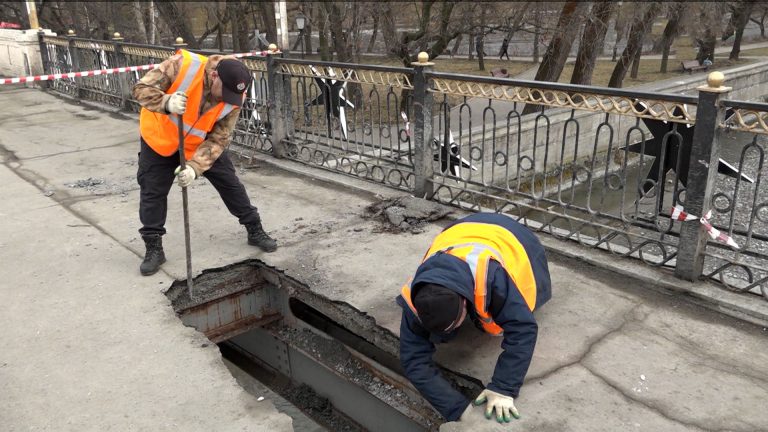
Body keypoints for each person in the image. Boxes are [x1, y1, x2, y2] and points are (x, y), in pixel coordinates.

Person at [132, 49, 277, 276]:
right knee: (152, 192)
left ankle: (254, 229)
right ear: (214, 76)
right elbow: (140, 89)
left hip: (197, 144)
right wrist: (165, 101)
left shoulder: (235, 96)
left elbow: (220, 137)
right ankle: (154, 248)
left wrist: (194, 167)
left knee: (230, 184)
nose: (226, 98)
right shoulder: (183, 65)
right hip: (159, 139)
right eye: (225, 92)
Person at [396, 212, 552, 423]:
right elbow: (413, 360)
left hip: (516, 237)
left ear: (464, 302)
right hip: (459, 229)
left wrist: (504, 387)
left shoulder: (492, 276)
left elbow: (523, 328)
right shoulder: (413, 298)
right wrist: (458, 409)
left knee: (528, 298)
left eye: (453, 326)